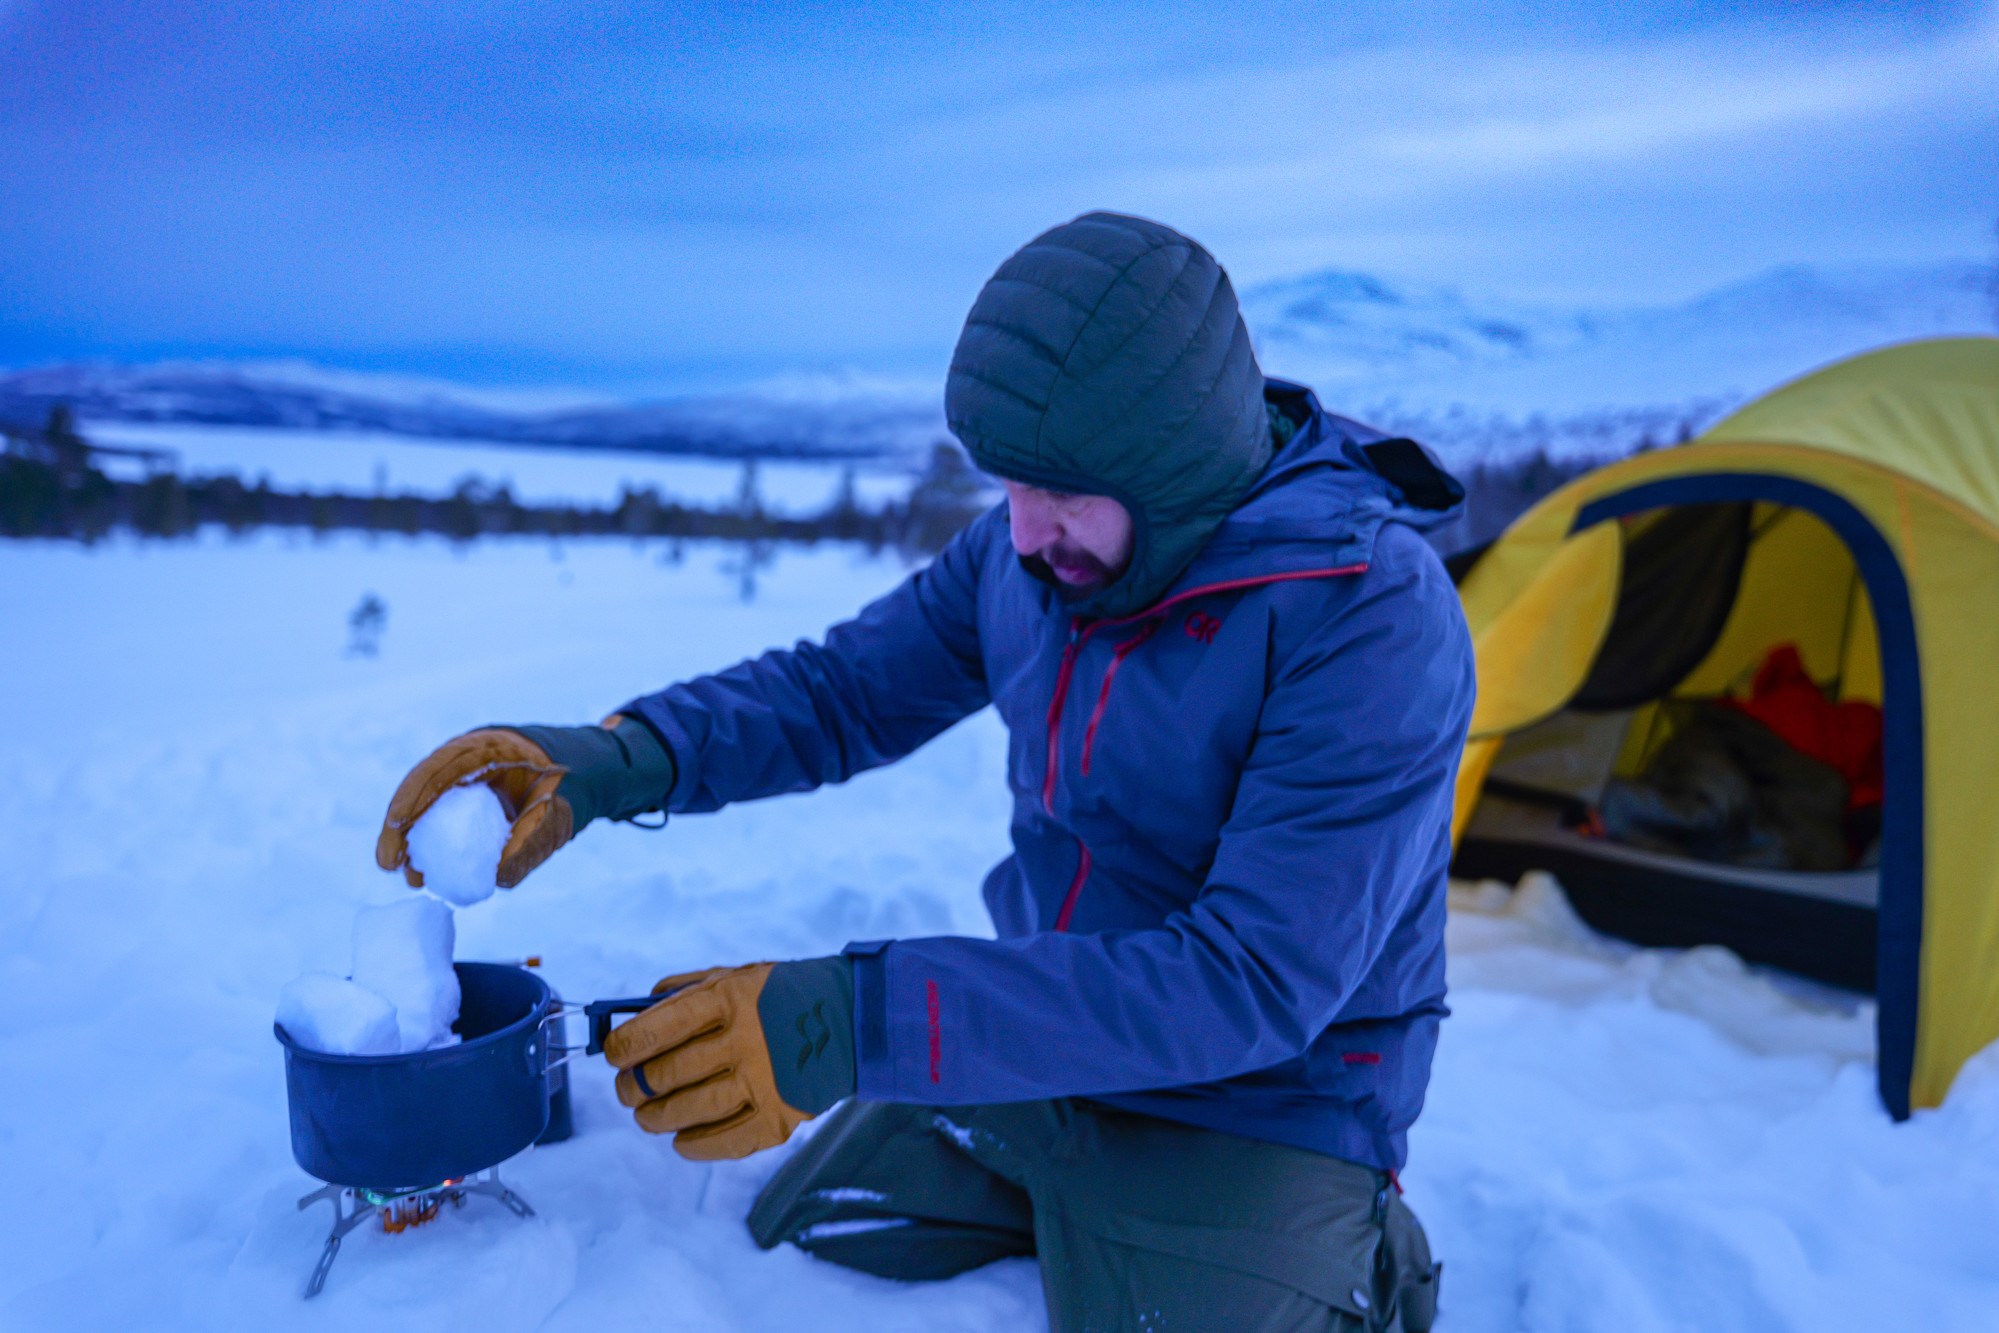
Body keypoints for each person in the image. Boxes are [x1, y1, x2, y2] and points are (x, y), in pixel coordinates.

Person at [377, 212, 1473, 1332]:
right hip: (1050, 1051)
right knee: (800, 1246)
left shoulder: (1366, 614)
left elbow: (1248, 978)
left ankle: (1358, 1263)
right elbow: (840, 692)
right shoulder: (1026, 556)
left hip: (1265, 1111)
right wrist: (623, 758)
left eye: (1066, 490)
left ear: (1175, 465)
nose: (1027, 527)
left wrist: (854, 1021)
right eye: (1008, 483)